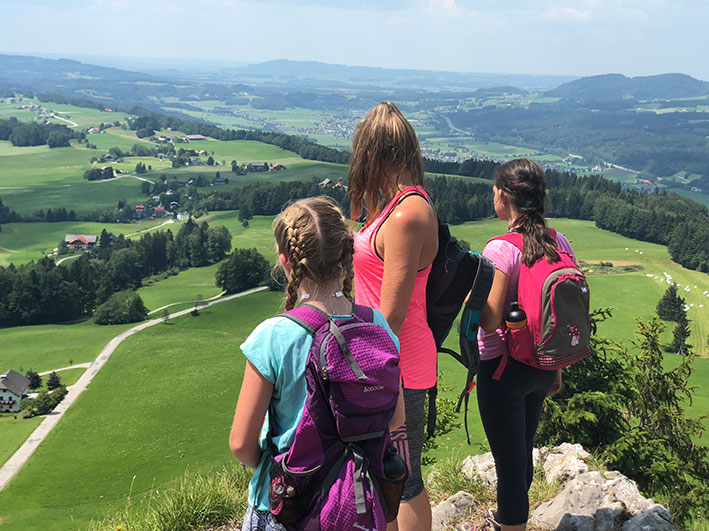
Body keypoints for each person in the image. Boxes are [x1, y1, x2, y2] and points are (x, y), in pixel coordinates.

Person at [229, 197, 405, 530]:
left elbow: (240, 443)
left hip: (287, 507)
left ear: (286, 262)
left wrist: (269, 465)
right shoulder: (378, 325)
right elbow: (396, 418)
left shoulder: (273, 335)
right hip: (360, 502)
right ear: (346, 257)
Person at [349, 102, 439, 531]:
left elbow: (391, 316)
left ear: (372, 153)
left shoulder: (407, 215)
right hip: (387, 361)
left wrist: (358, 368)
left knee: (403, 477)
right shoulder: (396, 207)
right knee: (384, 474)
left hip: (397, 365)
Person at [471, 159, 573, 531]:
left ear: (504, 196)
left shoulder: (500, 249)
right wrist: (556, 367)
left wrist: (471, 294)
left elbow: (489, 321)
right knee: (521, 453)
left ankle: (510, 524)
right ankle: (508, 518)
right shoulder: (560, 242)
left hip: (502, 368)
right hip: (543, 366)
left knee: (509, 464)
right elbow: (560, 312)